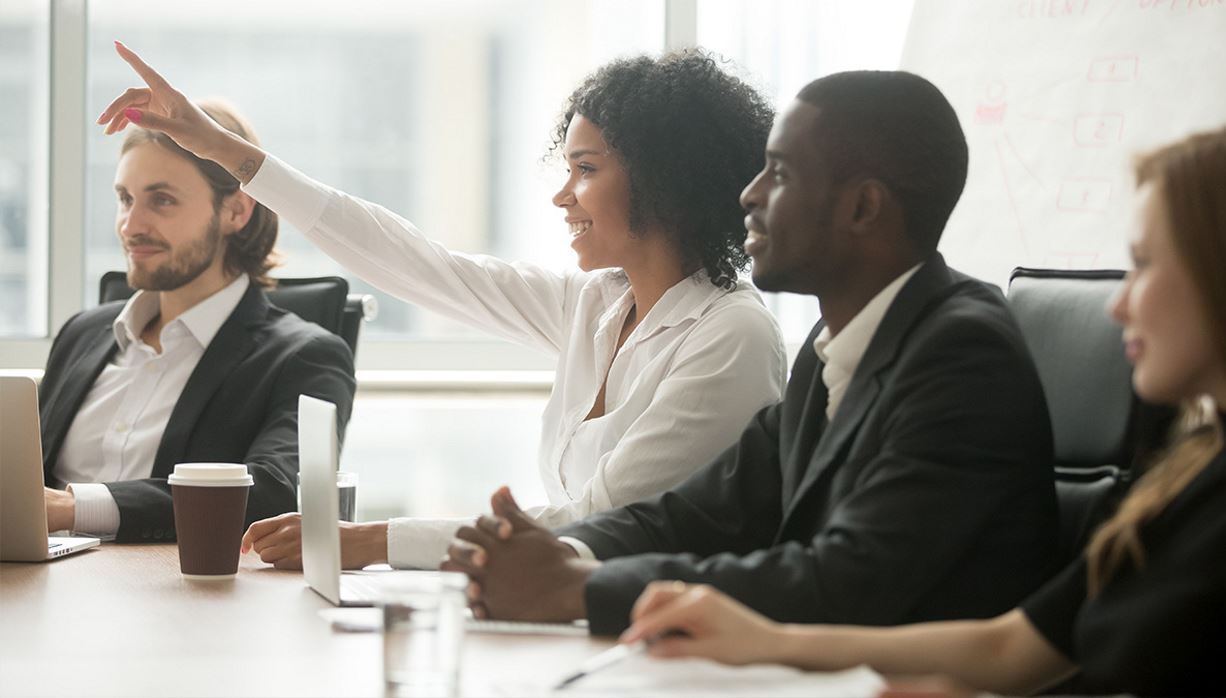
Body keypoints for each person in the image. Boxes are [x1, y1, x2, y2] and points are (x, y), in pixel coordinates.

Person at [99, 43, 786, 570]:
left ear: (665, 180)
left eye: (586, 169)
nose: (562, 196)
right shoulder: (597, 305)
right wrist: (222, 149)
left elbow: (601, 522)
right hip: (574, 615)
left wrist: (372, 541)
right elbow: (418, 266)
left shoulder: (731, 335)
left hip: (663, 639)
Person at [619, 125, 1226, 697]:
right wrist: (768, 641)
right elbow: (1013, 646)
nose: (1118, 305)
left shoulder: (958, 349)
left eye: (1149, 264)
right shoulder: (1192, 476)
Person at [441, 70, 1058, 636]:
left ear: (863, 208)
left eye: (781, 174)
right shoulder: (833, 354)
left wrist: (583, 587)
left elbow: (843, 579)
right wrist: (561, 553)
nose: (749, 195)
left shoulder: (961, 355)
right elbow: (695, 514)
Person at [40, 100, 356, 543]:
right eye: (125, 199)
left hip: (175, 593)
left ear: (235, 212)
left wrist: (73, 508)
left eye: (162, 200)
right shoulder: (83, 333)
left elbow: (274, 491)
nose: (131, 225)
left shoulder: (304, 357)